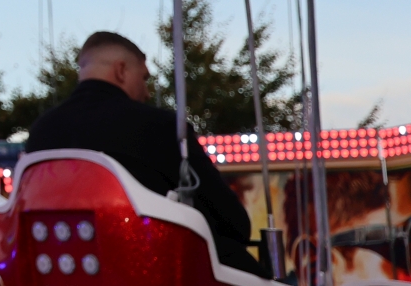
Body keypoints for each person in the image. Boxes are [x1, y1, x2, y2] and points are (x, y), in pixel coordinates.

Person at [25, 31, 268, 278]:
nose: (148, 92)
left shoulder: (39, 134)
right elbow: (232, 221)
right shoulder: (159, 127)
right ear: (121, 71)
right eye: (144, 78)